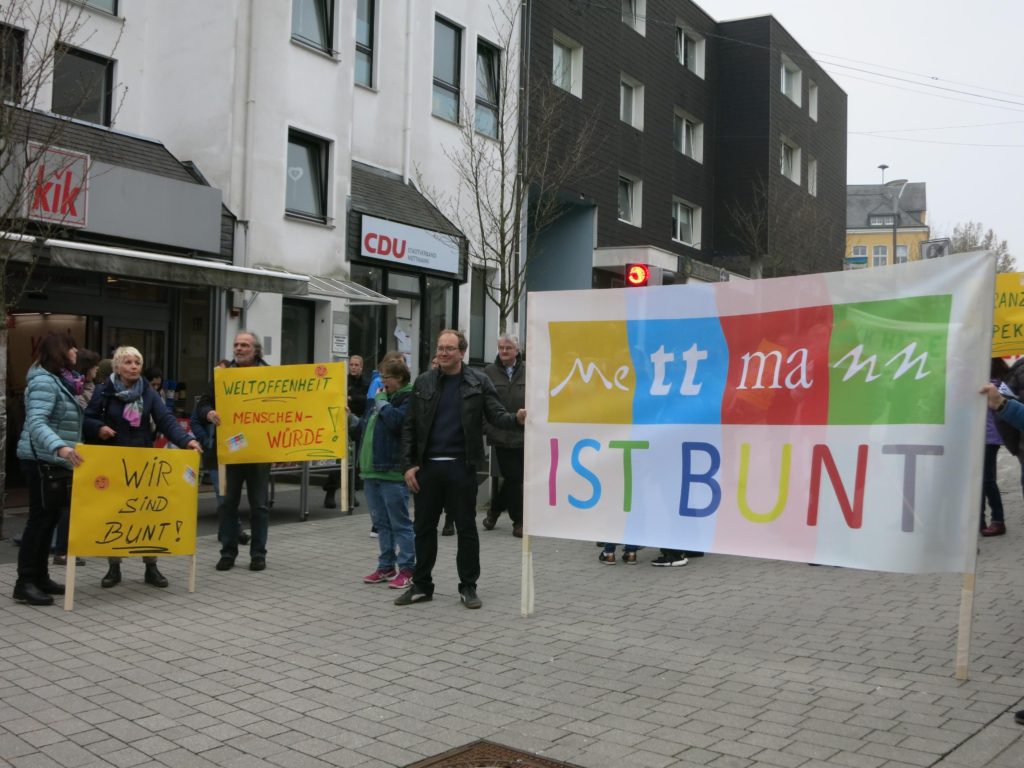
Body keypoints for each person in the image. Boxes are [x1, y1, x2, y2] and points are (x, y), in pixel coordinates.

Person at [395, 329, 526, 609]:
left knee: (466, 529)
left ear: (462, 352)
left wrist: (516, 419)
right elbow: (409, 426)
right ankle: (421, 585)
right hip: (427, 470)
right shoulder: (423, 382)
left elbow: (496, 414)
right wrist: (408, 465)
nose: (443, 353)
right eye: (440, 348)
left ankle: (468, 587)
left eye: (449, 349)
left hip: (462, 468)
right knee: (424, 528)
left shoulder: (478, 382)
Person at [84, 346, 201, 588]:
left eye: (137, 362)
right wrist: (99, 428)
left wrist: (186, 440)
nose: (134, 366)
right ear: (117, 367)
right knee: (115, 513)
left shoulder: (148, 393)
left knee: (146, 514)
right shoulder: (103, 392)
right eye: (128, 362)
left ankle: (151, 566)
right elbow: (87, 419)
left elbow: (165, 420)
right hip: (114, 462)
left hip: (143, 464)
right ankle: (114, 568)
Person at [14, 333, 85, 606]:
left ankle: (40, 577)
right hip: (41, 460)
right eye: (71, 347)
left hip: (53, 460)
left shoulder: (60, 379)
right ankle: (26, 581)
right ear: (59, 351)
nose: (76, 351)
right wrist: (61, 448)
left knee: (50, 518)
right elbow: (37, 422)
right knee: (40, 520)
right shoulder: (44, 380)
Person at [196, 331, 272, 572]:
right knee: (227, 504)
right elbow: (203, 403)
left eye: (244, 345)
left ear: (256, 350)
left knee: (259, 505)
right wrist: (208, 413)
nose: (239, 349)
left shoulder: (269, 375)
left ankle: (258, 554)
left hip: (258, 451)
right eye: (236, 345)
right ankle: (228, 552)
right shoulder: (223, 375)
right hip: (230, 450)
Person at [357, 356, 415, 589]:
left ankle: (408, 568)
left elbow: (398, 423)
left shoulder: (407, 399)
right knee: (381, 523)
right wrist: (350, 419)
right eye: (381, 376)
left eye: (386, 377)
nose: (381, 381)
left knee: (400, 523)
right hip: (372, 472)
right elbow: (363, 427)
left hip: (391, 472)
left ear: (399, 378)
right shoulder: (381, 399)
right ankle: (386, 565)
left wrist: (382, 403)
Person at [190, 360, 249, 545]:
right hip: (214, 454)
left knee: (230, 494)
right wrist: (207, 441)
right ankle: (236, 529)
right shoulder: (208, 399)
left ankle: (226, 529)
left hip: (235, 452)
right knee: (222, 495)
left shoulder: (238, 398)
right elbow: (195, 421)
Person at [52, 348, 101, 567]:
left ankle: (66, 547)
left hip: (77, 450)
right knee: (67, 504)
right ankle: (62, 549)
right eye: (94, 366)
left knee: (72, 503)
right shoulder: (75, 392)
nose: (97, 370)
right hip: (69, 452)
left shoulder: (87, 388)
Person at [482, 334, 526, 538]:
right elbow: (482, 404)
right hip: (502, 434)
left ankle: (494, 510)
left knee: (515, 478)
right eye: (501, 348)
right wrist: (488, 428)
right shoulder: (489, 372)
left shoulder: (528, 371)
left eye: (508, 348)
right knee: (514, 477)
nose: (504, 351)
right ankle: (519, 521)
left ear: (517, 350)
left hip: (525, 434)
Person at [324, 354, 370, 509]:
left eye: (357, 365)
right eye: (352, 364)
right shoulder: (343, 380)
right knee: (338, 460)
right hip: (341, 424)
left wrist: (352, 398)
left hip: (357, 425)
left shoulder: (365, 383)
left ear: (361, 367)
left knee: (355, 462)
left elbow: (365, 400)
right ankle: (330, 493)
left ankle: (352, 493)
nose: (354, 367)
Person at [981, 359, 1010, 536]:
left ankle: (998, 520)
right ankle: (979, 520)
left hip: (989, 438)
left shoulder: (994, 386)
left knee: (986, 479)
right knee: (979, 480)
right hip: (980, 437)